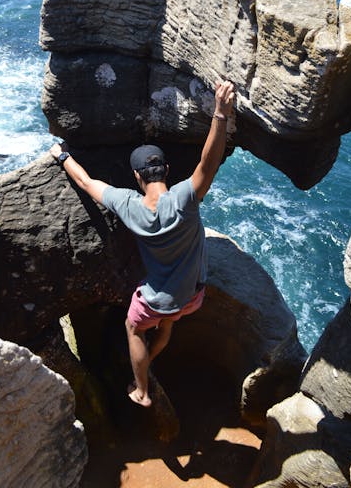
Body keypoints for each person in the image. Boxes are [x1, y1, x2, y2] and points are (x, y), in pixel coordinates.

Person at [50, 80, 235, 407]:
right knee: (168, 322)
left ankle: (142, 390)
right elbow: (209, 163)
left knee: (133, 328)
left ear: (136, 177)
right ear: (166, 169)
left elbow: (86, 181)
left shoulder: (128, 204)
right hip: (192, 298)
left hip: (156, 303)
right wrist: (220, 114)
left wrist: (62, 155)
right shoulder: (183, 201)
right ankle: (156, 349)